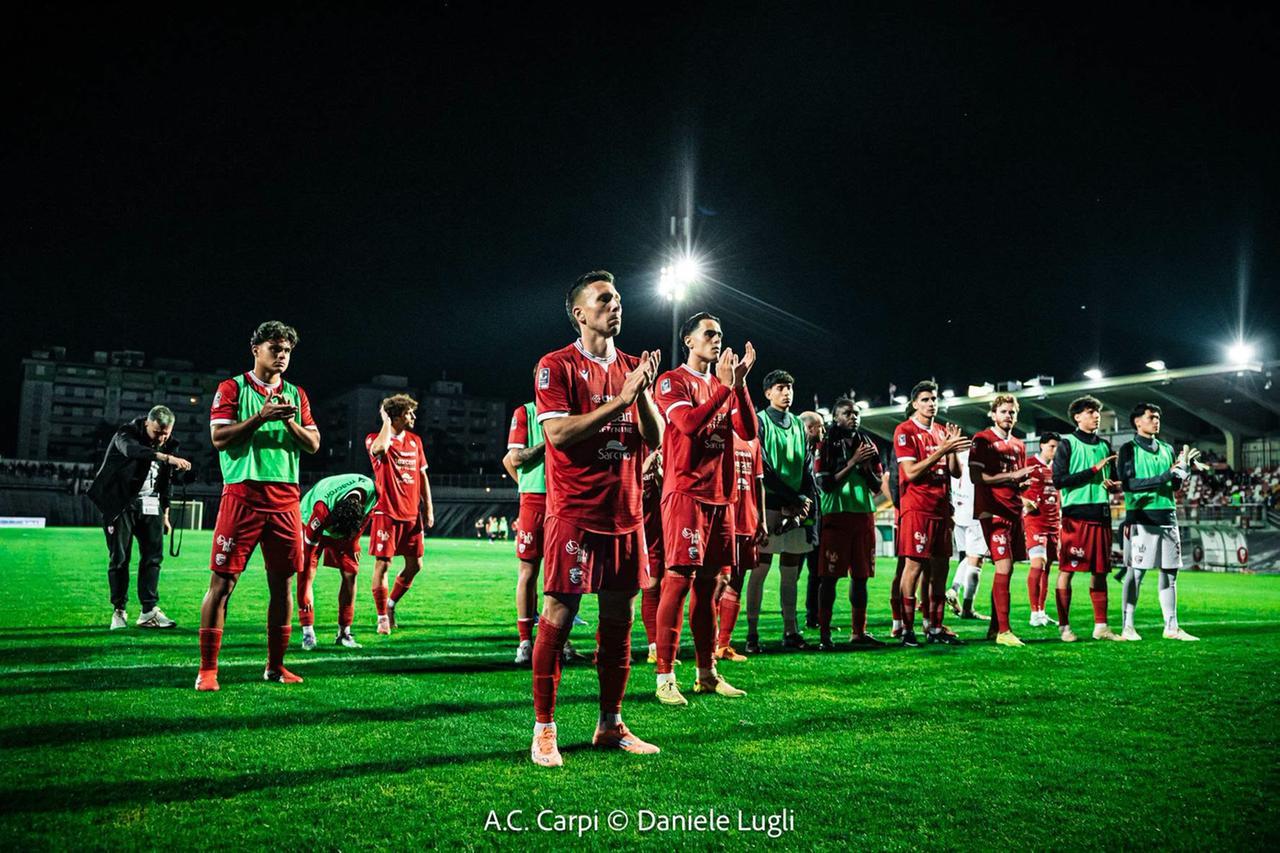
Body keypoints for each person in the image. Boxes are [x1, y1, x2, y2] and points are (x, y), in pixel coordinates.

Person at [528, 270, 664, 767]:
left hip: (626, 514)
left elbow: (657, 437)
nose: (616, 305)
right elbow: (559, 436)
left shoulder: (632, 367)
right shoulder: (556, 365)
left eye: (619, 298)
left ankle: (610, 723)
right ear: (580, 313)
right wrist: (620, 400)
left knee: (619, 620)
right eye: (604, 299)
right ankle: (544, 729)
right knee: (559, 618)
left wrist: (641, 392)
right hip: (576, 513)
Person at [197, 320, 321, 691]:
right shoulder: (232, 387)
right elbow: (219, 438)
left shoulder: (296, 395)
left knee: (283, 586)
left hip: (285, 499)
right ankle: (207, 670)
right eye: (275, 349)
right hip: (243, 495)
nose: (282, 357)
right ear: (256, 350)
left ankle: (275, 666)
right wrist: (260, 418)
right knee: (222, 583)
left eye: (287, 351)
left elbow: (313, 443)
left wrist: (288, 425)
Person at [650, 312, 756, 705]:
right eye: (709, 334)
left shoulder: (723, 384)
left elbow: (748, 431)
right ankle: (665, 675)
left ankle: (706, 672)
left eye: (720, 334)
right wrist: (725, 390)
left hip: (721, 496)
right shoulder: (671, 381)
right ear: (689, 341)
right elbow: (691, 425)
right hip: (686, 493)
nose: (717, 340)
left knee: (711, 587)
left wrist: (738, 386)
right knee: (677, 582)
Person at [88, 405, 191, 630]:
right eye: (157, 432)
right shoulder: (126, 434)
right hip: (120, 505)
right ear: (147, 424)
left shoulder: (170, 444)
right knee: (120, 559)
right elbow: (131, 451)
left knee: (153, 558)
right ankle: (119, 611)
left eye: (166, 433)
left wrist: (166, 514)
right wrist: (166, 457)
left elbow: (166, 482)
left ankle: (148, 612)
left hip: (151, 505)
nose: (162, 437)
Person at [894, 380, 970, 647]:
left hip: (941, 510)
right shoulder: (904, 431)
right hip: (917, 508)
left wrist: (951, 450)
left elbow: (957, 472)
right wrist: (942, 450)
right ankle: (907, 629)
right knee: (913, 567)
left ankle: (935, 627)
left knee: (940, 569)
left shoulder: (940, 431)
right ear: (915, 403)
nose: (931, 403)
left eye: (934, 399)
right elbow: (910, 473)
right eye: (925, 399)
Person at [1117, 403, 1199, 641]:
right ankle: (1128, 627)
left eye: (1158, 417)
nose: (1156, 421)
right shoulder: (1128, 449)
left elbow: (1172, 485)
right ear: (1137, 422)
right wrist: (1166, 475)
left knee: (1170, 574)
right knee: (1136, 574)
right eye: (1151, 417)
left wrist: (1183, 473)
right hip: (1141, 518)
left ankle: (1171, 627)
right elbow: (1129, 484)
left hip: (1168, 516)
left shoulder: (1166, 449)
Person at [747, 370, 815, 653]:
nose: (786, 393)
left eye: (789, 388)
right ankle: (752, 633)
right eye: (780, 388)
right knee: (760, 571)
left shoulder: (799, 424)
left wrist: (802, 503)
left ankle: (791, 629)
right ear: (767, 393)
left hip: (794, 507)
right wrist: (794, 497)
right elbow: (762, 468)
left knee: (790, 574)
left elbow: (807, 464)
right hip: (770, 505)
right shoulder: (760, 422)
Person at [813, 398, 885, 649]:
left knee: (861, 577)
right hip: (836, 515)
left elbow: (877, 486)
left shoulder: (868, 444)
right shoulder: (827, 445)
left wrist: (865, 469)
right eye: (847, 413)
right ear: (836, 417)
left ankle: (858, 632)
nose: (854, 417)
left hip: (863, 514)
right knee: (829, 577)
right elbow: (825, 483)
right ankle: (824, 634)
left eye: (856, 413)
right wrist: (853, 463)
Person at [1051, 395, 1122, 643]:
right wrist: (1093, 470)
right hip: (1075, 518)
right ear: (1077, 417)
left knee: (1100, 571)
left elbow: (1110, 480)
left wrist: (1113, 486)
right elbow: (1059, 481)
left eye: (1097, 412)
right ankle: (1064, 627)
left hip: (1101, 514)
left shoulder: (1104, 446)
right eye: (1090, 412)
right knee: (1067, 571)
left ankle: (1101, 627)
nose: (1096, 416)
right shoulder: (1066, 444)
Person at [968, 395, 1034, 646]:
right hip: (993, 511)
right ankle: (1005, 632)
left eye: (1013, 412)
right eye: (1004, 411)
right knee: (1003, 566)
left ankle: (995, 628)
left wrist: (1021, 483)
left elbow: (1013, 479)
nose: (1009, 416)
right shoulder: (982, 439)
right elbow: (976, 477)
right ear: (993, 414)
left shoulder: (1019, 444)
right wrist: (1012, 475)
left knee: (1008, 569)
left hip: (1014, 509)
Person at [366, 394, 434, 635]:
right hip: (386, 512)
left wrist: (428, 507)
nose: (413, 417)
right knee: (383, 564)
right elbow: (380, 449)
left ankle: (392, 603)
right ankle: (382, 616)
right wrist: (385, 421)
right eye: (408, 413)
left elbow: (423, 476)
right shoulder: (375, 439)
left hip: (412, 514)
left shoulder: (416, 441)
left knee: (415, 565)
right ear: (395, 416)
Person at [297, 473, 378, 650]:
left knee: (351, 575)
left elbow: (365, 517)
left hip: (346, 528)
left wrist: (353, 542)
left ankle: (344, 633)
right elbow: (306, 561)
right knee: (307, 573)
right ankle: (308, 632)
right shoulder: (321, 510)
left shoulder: (373, 492)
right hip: (308, 519)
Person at [504, 393, 548, 664]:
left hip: (567, 500)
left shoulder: (573, 410)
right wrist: (547, 443)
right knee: (528, 571)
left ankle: (557, 641)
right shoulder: (526, 413)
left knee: (561, 575)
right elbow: (513, 458)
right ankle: (525, 642)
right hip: (534, 499)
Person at [716, 432, 765, 661]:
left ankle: (724, 644)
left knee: (737, 581)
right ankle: (709, 641)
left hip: (747, 520)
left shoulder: (752, 440)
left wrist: (761, 519)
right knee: (717, 582)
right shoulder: (719, 434)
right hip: (724, 518)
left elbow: (758, 482)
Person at [945, 446, 989, 621]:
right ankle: (968, 608)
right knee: (976, 561)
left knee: (966, 557)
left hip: (958, 514)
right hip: (975, 515)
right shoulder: (979, 461)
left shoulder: (956, 458)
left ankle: (953, 589)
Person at [1022, 432, 1061, 627]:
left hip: (1054, 524)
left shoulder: (1059, 468)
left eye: (1057, 447)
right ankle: (1033, 612)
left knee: (1047, 568)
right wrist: (1024, 501)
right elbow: (1012, 487)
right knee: (1038, 564)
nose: (1054, 450)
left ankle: (1041, 612)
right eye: (1051, 446)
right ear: (1042, 445)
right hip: (1034, 522)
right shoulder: (1029, 464)